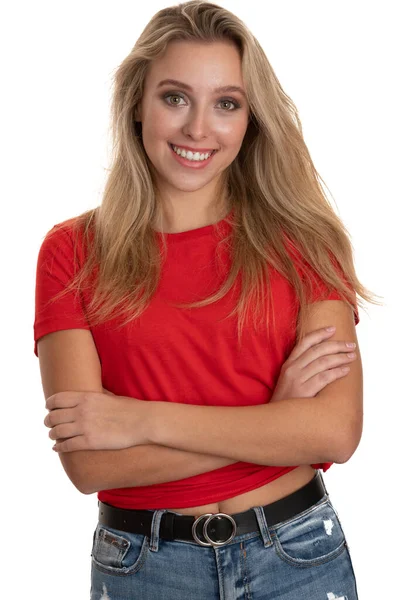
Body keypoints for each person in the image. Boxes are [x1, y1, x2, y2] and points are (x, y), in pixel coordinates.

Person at [34, 1, 378, 598]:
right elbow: (90, 465)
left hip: (297, 556)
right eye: (174, 97)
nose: (198, 128)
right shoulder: (72, 251)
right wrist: (274, 416)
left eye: (226, 103)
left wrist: (139, 420)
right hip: (144, 566)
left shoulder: (306, 242)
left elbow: (333, 433)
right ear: (137, 103)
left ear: (251, 118)